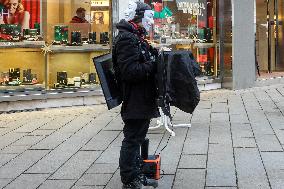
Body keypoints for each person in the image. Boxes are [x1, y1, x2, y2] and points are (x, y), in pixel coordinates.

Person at [113, 1, 158, 189]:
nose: (151, 22)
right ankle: (130, 180)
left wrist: (153, 54)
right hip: (135, 98)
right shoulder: (127, 38)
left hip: (142, 96)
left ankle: (137, 173)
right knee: (132, 138)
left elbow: (140, 60)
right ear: (138, 18)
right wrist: (155, 63)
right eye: (149, 18)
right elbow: (130, 71)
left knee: (138, 136)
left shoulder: (134, 36)